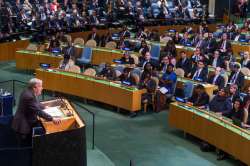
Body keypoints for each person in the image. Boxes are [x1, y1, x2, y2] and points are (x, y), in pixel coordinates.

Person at [12, 78, 61, 146]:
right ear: (35, 87)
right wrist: (52, 119)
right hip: (22, 126)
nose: (42, 88)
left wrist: (44, 107)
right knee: (24, 147)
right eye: (40, 86)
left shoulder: (28, 91)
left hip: (25, 120)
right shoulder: (29, 97)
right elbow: (38, 111)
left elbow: (35, 103)